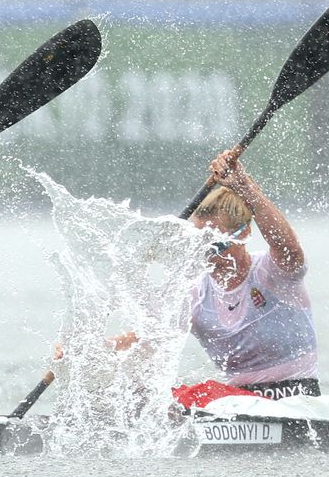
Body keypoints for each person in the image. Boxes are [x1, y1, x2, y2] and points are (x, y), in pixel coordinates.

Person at [133, 148, 318, 397]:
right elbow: (144, 341)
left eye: (216, 244)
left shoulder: (271, 274)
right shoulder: (196, 295)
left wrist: (245, 188)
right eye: (201, 245)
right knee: (143, 397)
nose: (209, 255)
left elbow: (288, 249)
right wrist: (80, 353)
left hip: (297, 398)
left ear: (244, 233)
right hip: (234, 405)